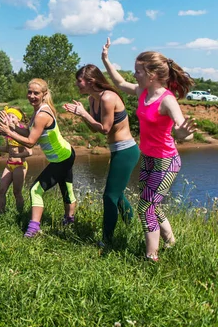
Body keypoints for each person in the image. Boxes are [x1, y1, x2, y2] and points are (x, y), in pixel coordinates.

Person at [101, 38, 195, 261]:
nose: (135, 75)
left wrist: (183, 133)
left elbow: (184, 131)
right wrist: (105, 60)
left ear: (151, 74)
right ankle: (171, 241)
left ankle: (151, 257)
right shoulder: (143, 91)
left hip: (166, 161)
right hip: (149, 158)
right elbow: (120, 82)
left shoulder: (167, 100)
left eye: (138, 71)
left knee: (145, 207)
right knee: (152, 203)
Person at [63, 64, 140, 246]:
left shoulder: (108, 97)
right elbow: (94, 128)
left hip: (126, 150)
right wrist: (83, 115)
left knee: (109, 196)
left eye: (79, 81)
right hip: (116, 150)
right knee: (118, 194)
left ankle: (107, 240)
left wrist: (83, 114)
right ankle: (132, 226)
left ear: (91, 81)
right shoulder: (92, 99)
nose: (77, 84)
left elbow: (105, 129)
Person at [0, 79, 77, 238]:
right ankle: (69, 221)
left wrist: (9, 132)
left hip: (62, 157)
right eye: (29, 92)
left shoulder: (42, 114)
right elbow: (27, 133)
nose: (31, 96)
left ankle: (33, 229)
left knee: (35, 190)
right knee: (66, 188)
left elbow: (31, 142)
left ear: (44, 94)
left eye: (36, 93)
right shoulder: (38, 110)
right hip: (65, 154)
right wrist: (10, 127)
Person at [0, 106, 32, 215]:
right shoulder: (8, 132)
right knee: (1, 190)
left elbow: (30, 152)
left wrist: (19, 154)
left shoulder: (22, 131)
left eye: (12, 116)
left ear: (18, 119)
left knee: (17, 192)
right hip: (9, 165)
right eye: (8, 116)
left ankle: (21, 215)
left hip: (20, 165)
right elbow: (7, 149)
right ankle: (0, 214)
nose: (10, 118)